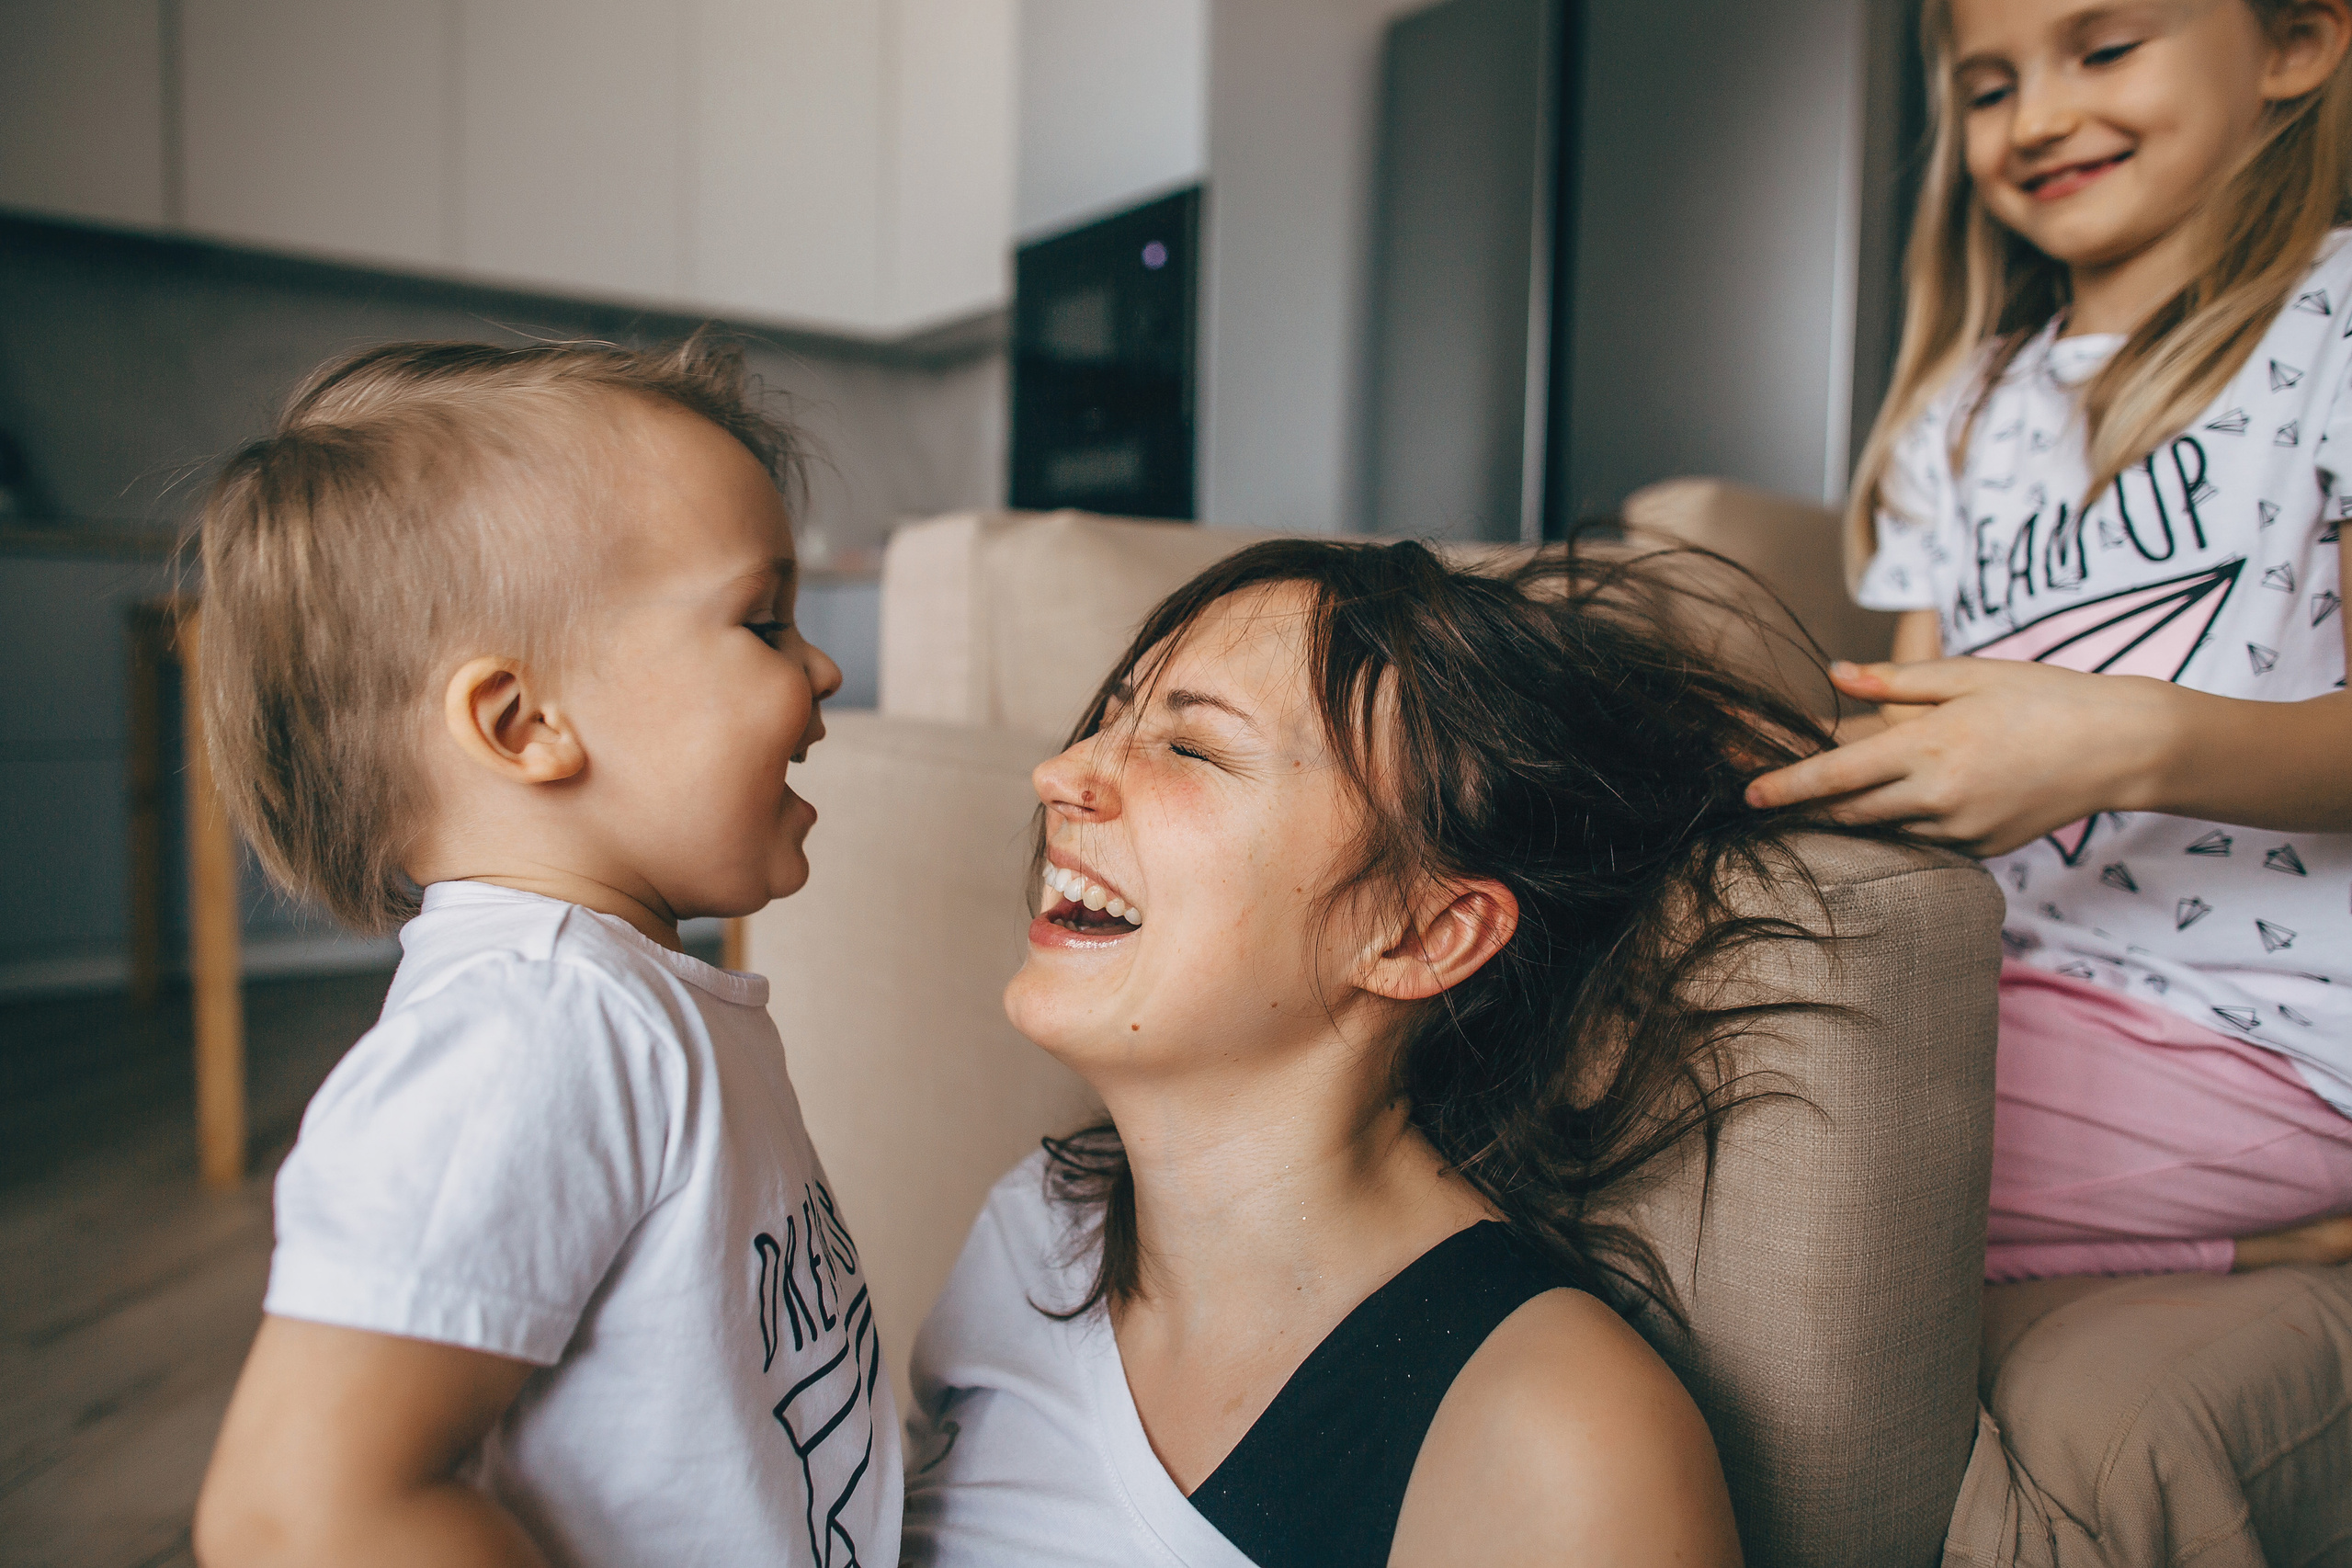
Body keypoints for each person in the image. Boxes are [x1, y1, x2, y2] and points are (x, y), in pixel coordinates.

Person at [895, 537, 1857, 1567]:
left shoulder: (1553, 1435)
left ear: (1418, 934)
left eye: (1193, 748)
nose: (1060, 773)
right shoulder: (1039, 1222)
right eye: (1114, 716)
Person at [188, 340, 899, 1567]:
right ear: (525, 724)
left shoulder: (619, 1001)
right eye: (765, 620)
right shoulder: (534, 1029)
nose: (821, 667)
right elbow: (294, 1516)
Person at [1749, 0, 2352, 1280]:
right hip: (1990, 978)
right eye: (1984, 89)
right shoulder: (1960, 411)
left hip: (2268, 1029)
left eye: (2103, 49)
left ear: (2294, 44)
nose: (2035, 119)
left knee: (1742, 1149)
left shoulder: (2334, 327)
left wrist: (2114, 741)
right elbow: (1917, 749)